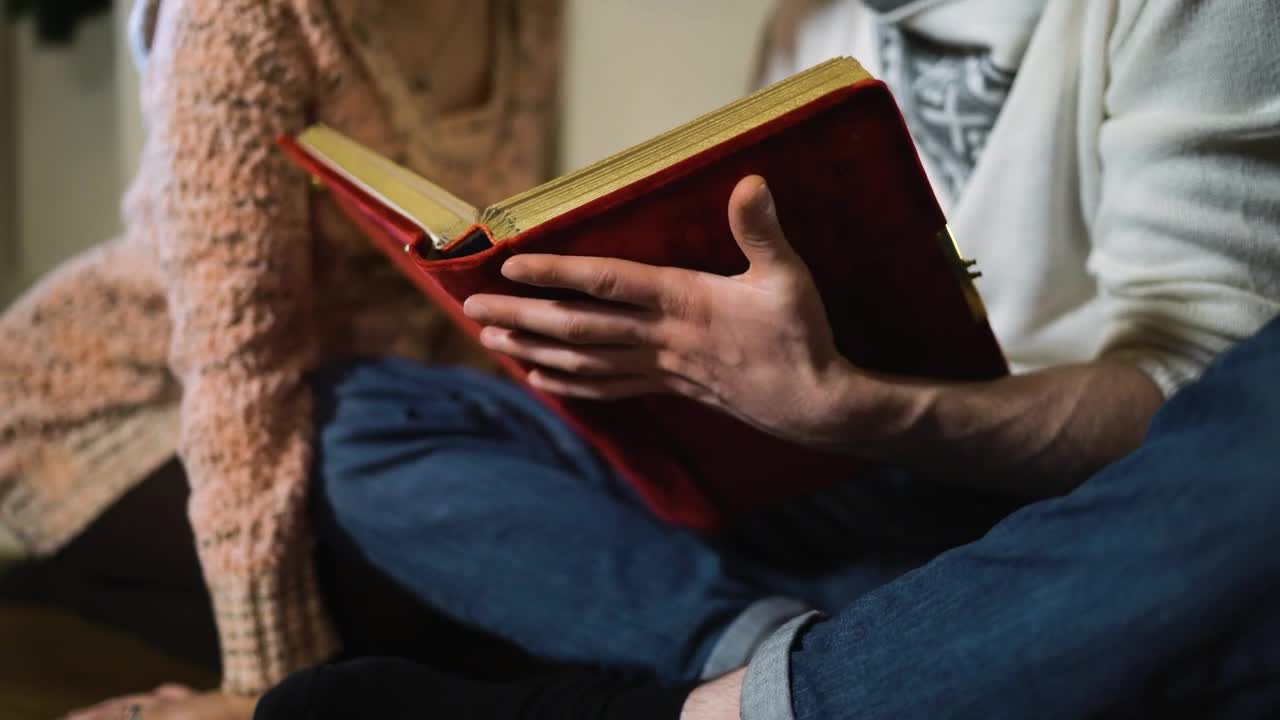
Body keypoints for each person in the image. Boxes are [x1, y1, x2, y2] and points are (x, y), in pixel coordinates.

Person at [291, 0, 1280, 718]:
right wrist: (661, 364)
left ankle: (790, 669)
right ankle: (836, 648)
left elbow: (1201, 417)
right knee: (357, 417)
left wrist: (850, 408)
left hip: (1056, 498)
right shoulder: (803, 20)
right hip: (835, 480)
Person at [0, 0, 560, 718]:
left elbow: (463, 269)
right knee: (444, 631)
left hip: (353, 399)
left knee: (506, 590)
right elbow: (237, 366)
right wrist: (269, 683)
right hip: (123, 403)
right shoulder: (238, 14)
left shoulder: (527, 13)